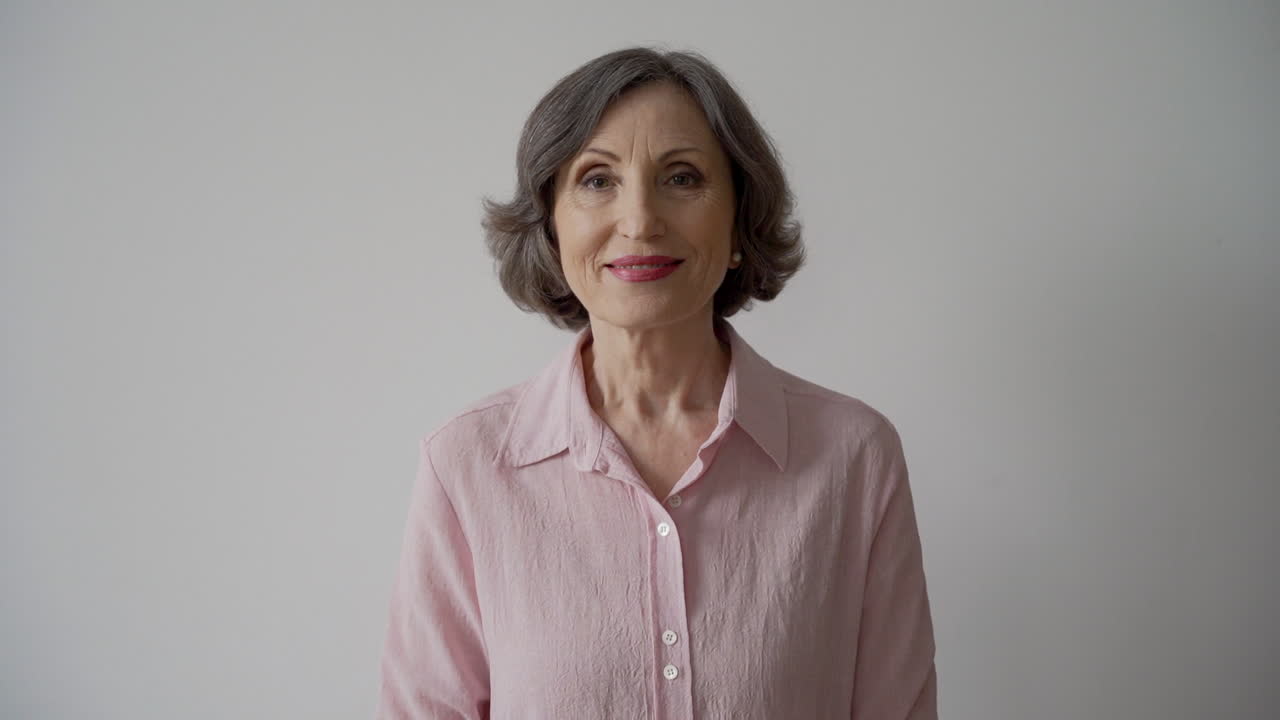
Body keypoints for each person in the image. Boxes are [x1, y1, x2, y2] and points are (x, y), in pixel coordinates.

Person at [376, 46, 937, 719]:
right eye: (596, 180)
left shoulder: (855, 457)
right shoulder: (467, 465)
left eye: (681, 178)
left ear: (738, 222)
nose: (639, 220)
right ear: (552, 227)